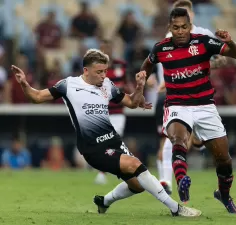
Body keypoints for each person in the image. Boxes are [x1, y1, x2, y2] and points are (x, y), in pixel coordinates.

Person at [11, 49, 201, 217]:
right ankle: (176, 209)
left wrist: (140, 86)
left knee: (137, 185)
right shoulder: (68, 85)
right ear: (86, 70)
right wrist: (24, 83)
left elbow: (132, 103)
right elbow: (36, 97)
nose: (103, 76)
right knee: (136, 165)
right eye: (99, 72)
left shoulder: (107, 85)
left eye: (105, 71)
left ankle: (104, 201)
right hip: (92, 148)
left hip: (114, 141)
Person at [141, 8, 236, 213]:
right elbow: (147, 64)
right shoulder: (161, 48)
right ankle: (181, 182)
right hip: (177, 105)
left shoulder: (203, 42)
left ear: (190, 27)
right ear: (170, 28)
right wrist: (141, 85)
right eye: (176, 27)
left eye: (184, 27)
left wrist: (230, 42)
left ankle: (223, 194)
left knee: (224, 160)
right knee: (178, 140)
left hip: (205, 106)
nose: (180, 31)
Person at [155, 0, 227, 195]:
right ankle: (165, 181)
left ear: (192, 15)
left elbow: (221, 57)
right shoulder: (170, 37)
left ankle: (195, 141)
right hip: (173, 95)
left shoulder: (204, 34)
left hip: (199, 95)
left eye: (186, 14)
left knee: (190, 141)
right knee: (169, 140)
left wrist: (218, 60)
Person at [92, 40, 135, 185]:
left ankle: (104, 172)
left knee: (114, 141)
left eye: (107, 49)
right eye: (103, 50)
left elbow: (128, 84)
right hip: (102, 112)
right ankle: (111, 169)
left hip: (117, 111)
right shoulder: (94, 68)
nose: (105, 52)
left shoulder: (121, 65)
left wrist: (132, 93)